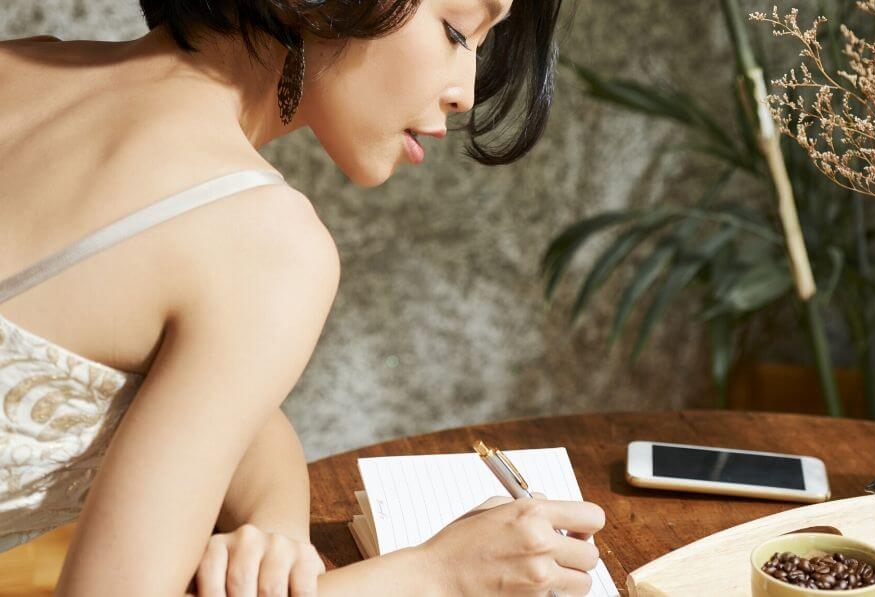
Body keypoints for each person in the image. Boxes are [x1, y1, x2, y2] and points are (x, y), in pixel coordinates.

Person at [0, 0, 606, 595]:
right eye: (455, 30)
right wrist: (436, 574)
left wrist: (276, 530)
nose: (465, 93)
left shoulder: (23, 65)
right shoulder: (260, 240)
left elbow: (227, 413)